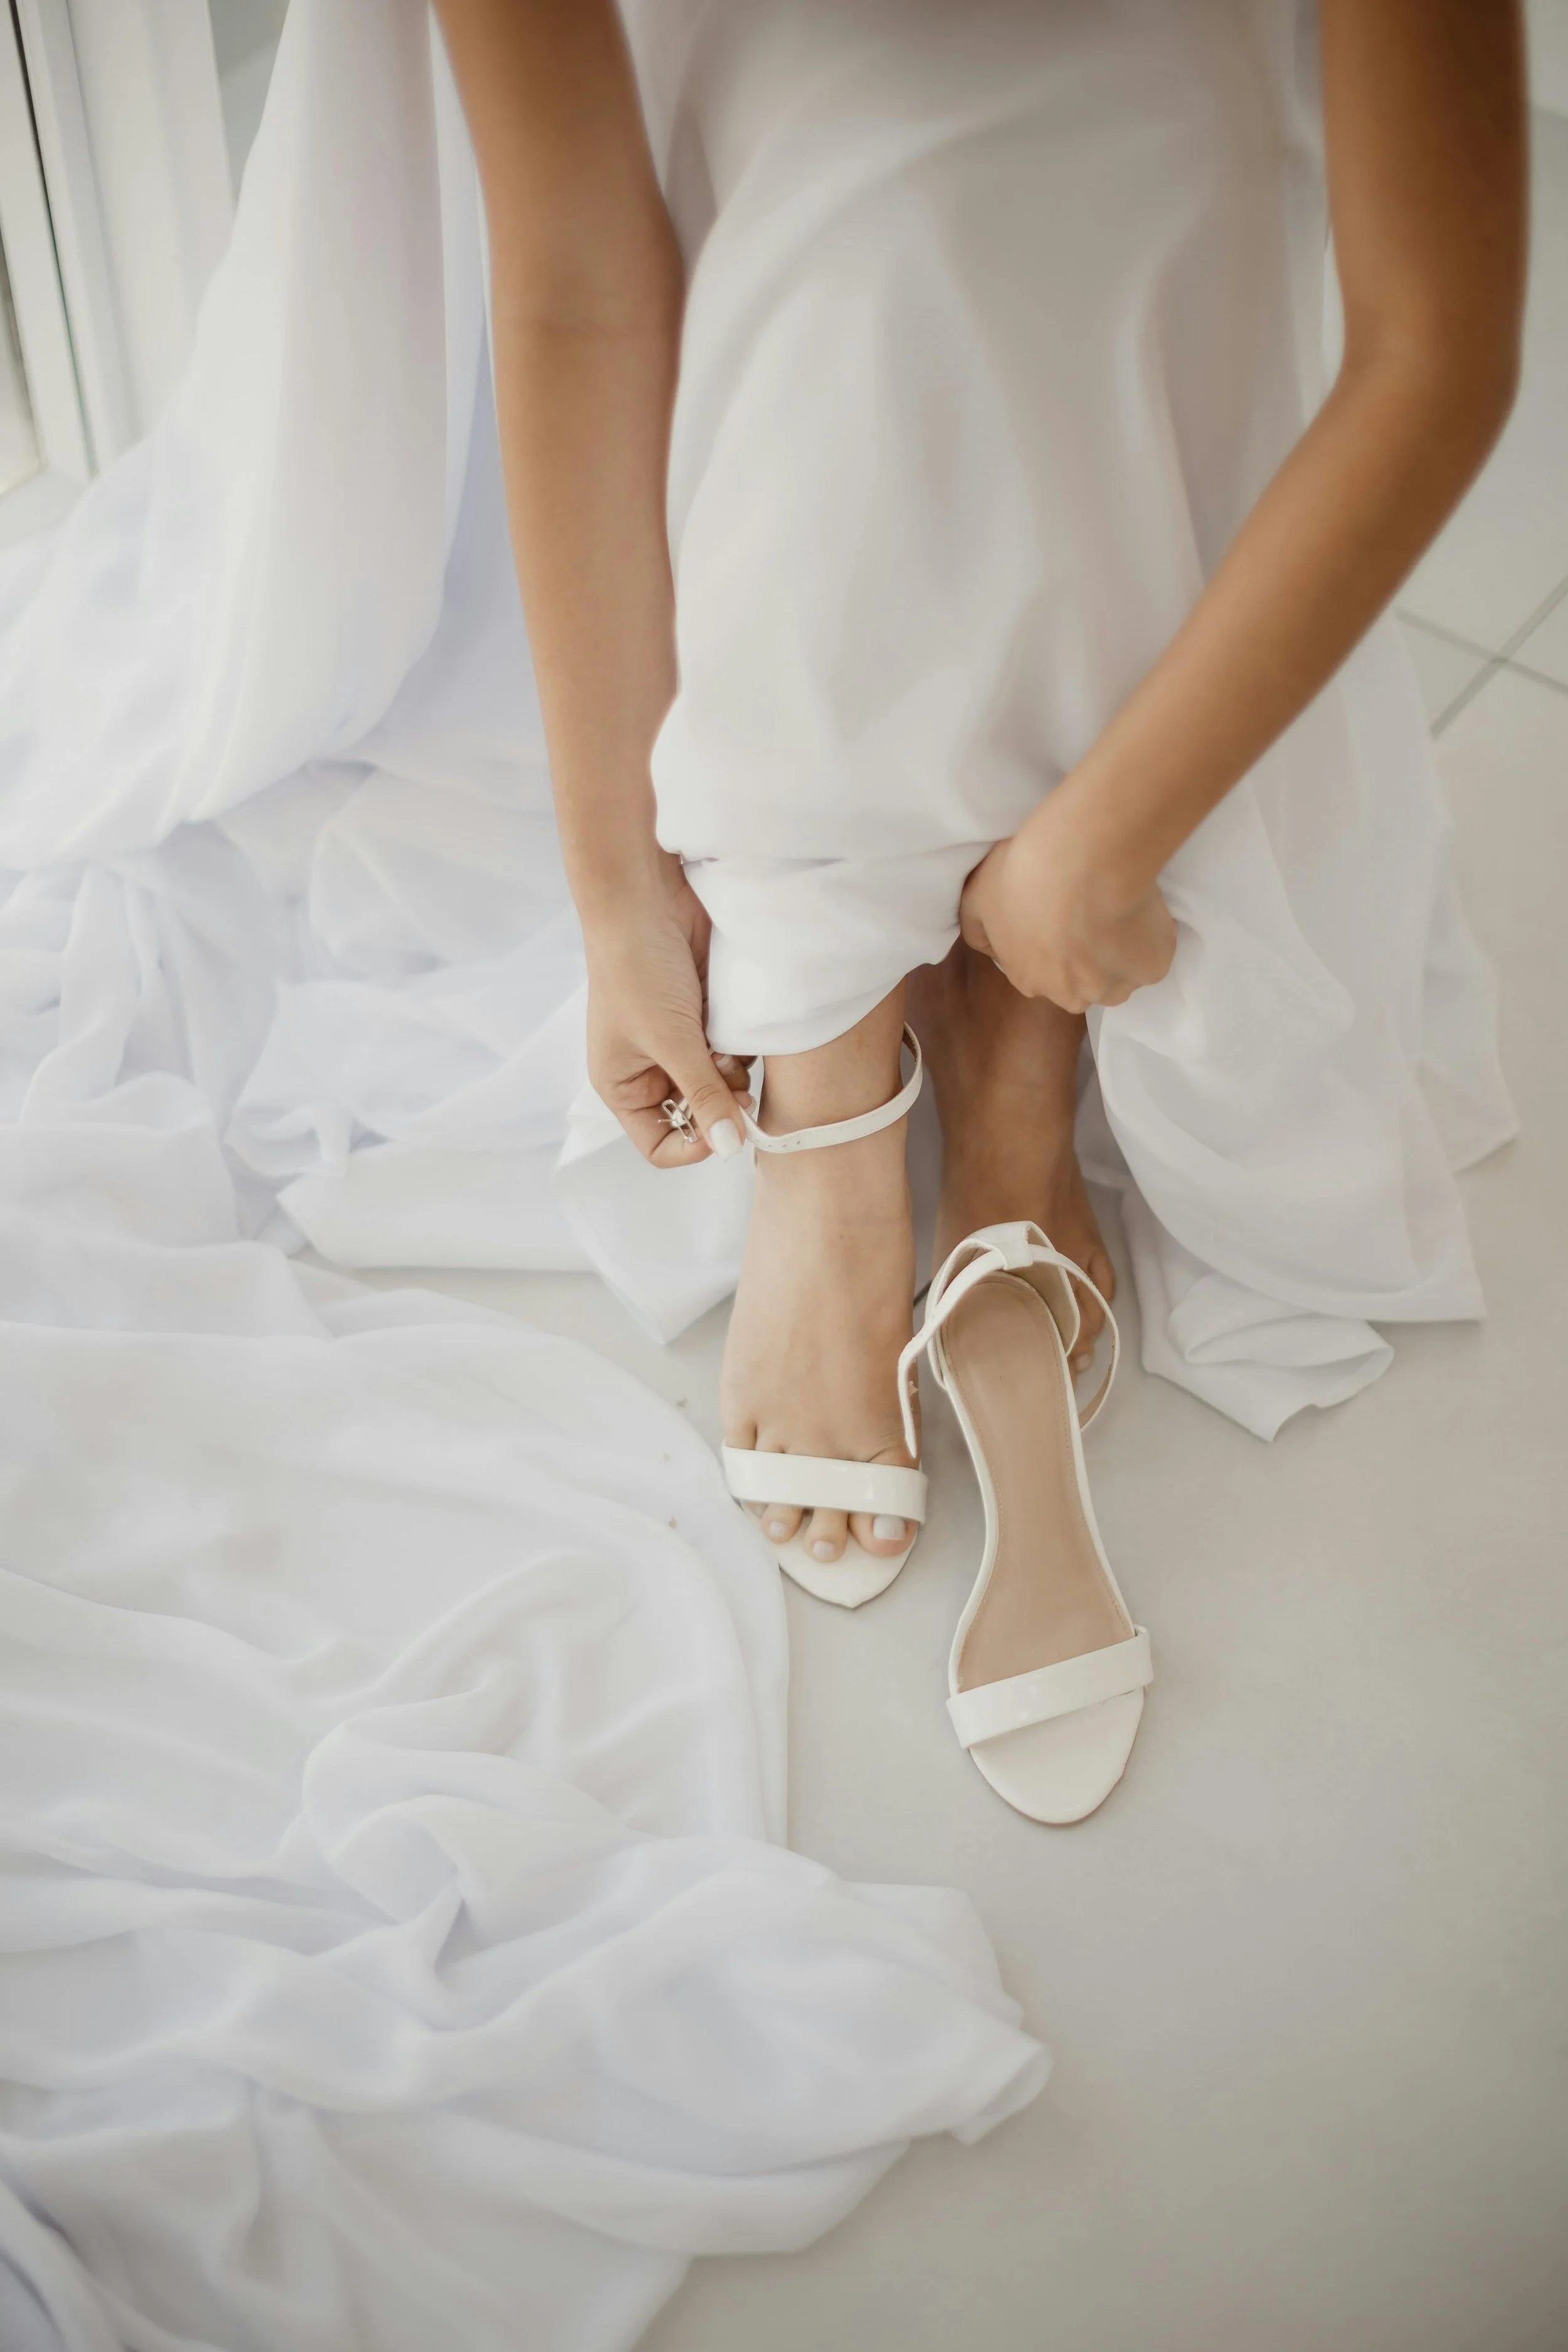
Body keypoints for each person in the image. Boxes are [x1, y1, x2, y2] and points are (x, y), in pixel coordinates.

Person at [430, 0, 1524, 1803]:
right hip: (757, 242)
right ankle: (834, 1066)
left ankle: (1014, 1031)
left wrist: (1104, 844)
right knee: (859, 230)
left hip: (1162, 234)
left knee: (1056, 194)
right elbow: (569, 275)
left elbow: (1438, 342)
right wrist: (614, 885)